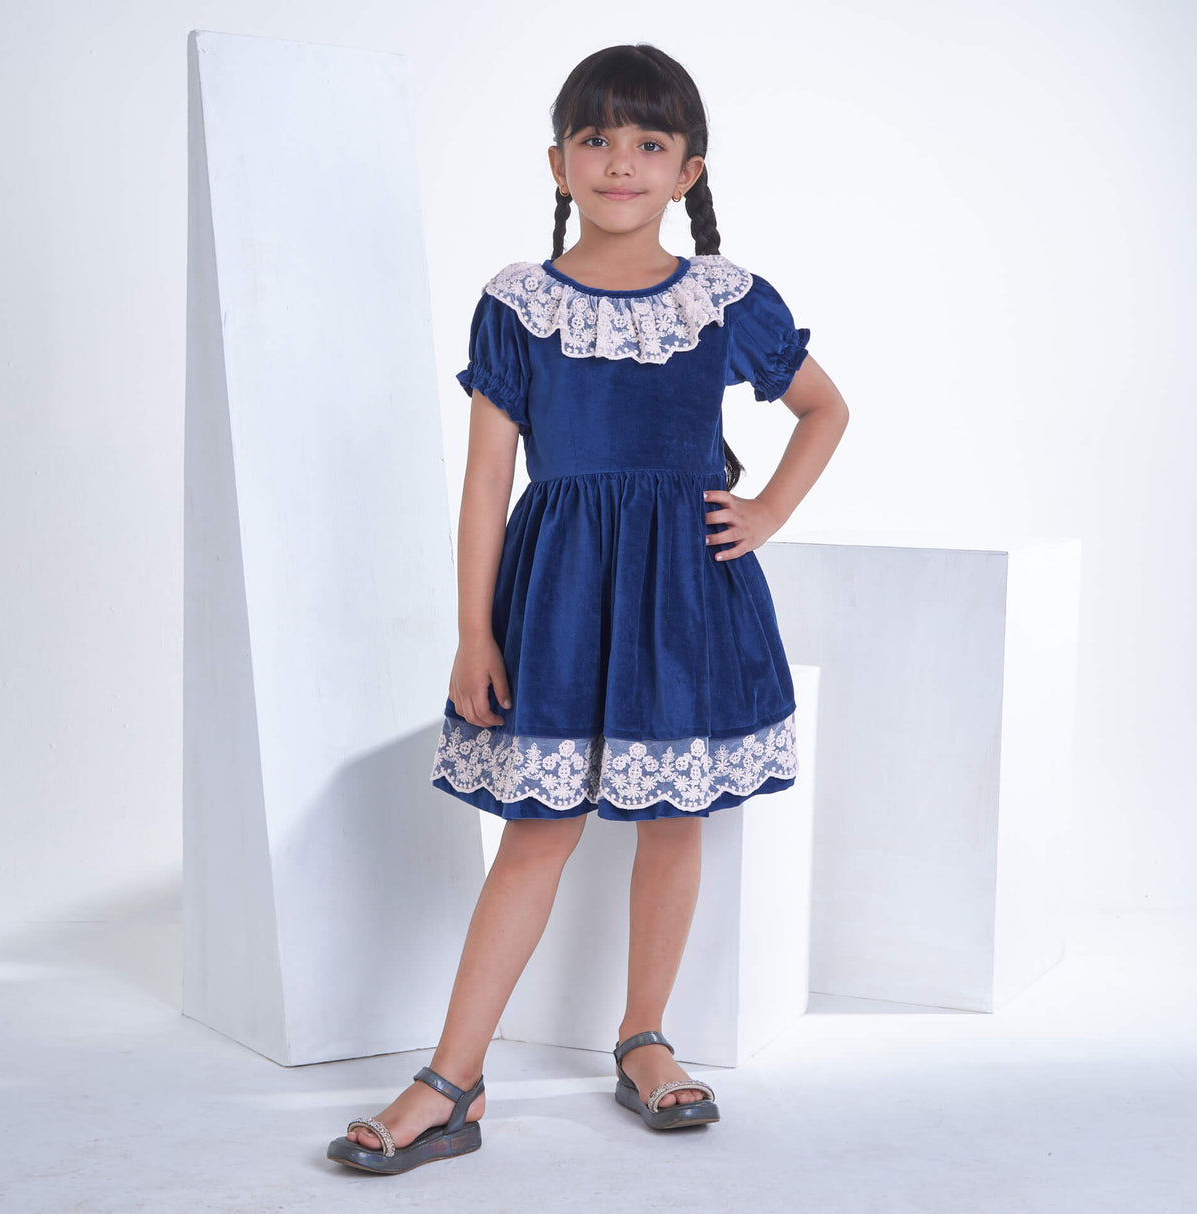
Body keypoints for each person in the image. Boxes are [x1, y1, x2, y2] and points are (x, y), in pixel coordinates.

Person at [327, 41, 849, 1176]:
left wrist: (761, 511)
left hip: (683, 596)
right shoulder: (517, 303)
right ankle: (451, 1078)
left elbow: (822, 408)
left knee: (675, 818)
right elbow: (484, 482)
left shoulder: (724, 301)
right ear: (558, 163)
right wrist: (474, 631)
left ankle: (643, 1036)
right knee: (537, 829)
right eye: (596, 139)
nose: (621, 161)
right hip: (559, 597)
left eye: (647, 143)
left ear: (687, 169)